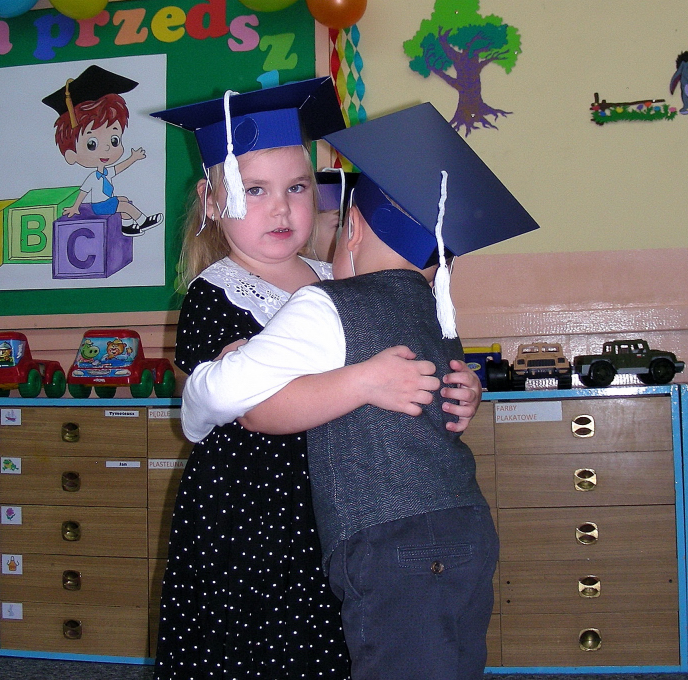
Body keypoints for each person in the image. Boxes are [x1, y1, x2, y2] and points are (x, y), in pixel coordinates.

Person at [182, 102, 539, 680]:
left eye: (297, 187)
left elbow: (410, 357)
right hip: (255, 508)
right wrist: (364, 381)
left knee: (360, 638)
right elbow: (252, 409)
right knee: (261, 643)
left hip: (345, 498)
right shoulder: (217, 294)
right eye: (255, 190)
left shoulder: (339, 280)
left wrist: (457, 387)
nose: (281, 207)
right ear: (211, 201)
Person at [42, 64, 162, 236]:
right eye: (91, 144)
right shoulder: (94, 177)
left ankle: (126, 227)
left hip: (104, 203)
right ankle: (143, 221)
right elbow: (83, 192)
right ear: (71, 155)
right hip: (99, 206)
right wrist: (75, 207)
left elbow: (118, 168)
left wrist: (133, 158)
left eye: (114, 140)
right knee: (124, 205)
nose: (107, 148)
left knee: (123, 201)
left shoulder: (105, 172)